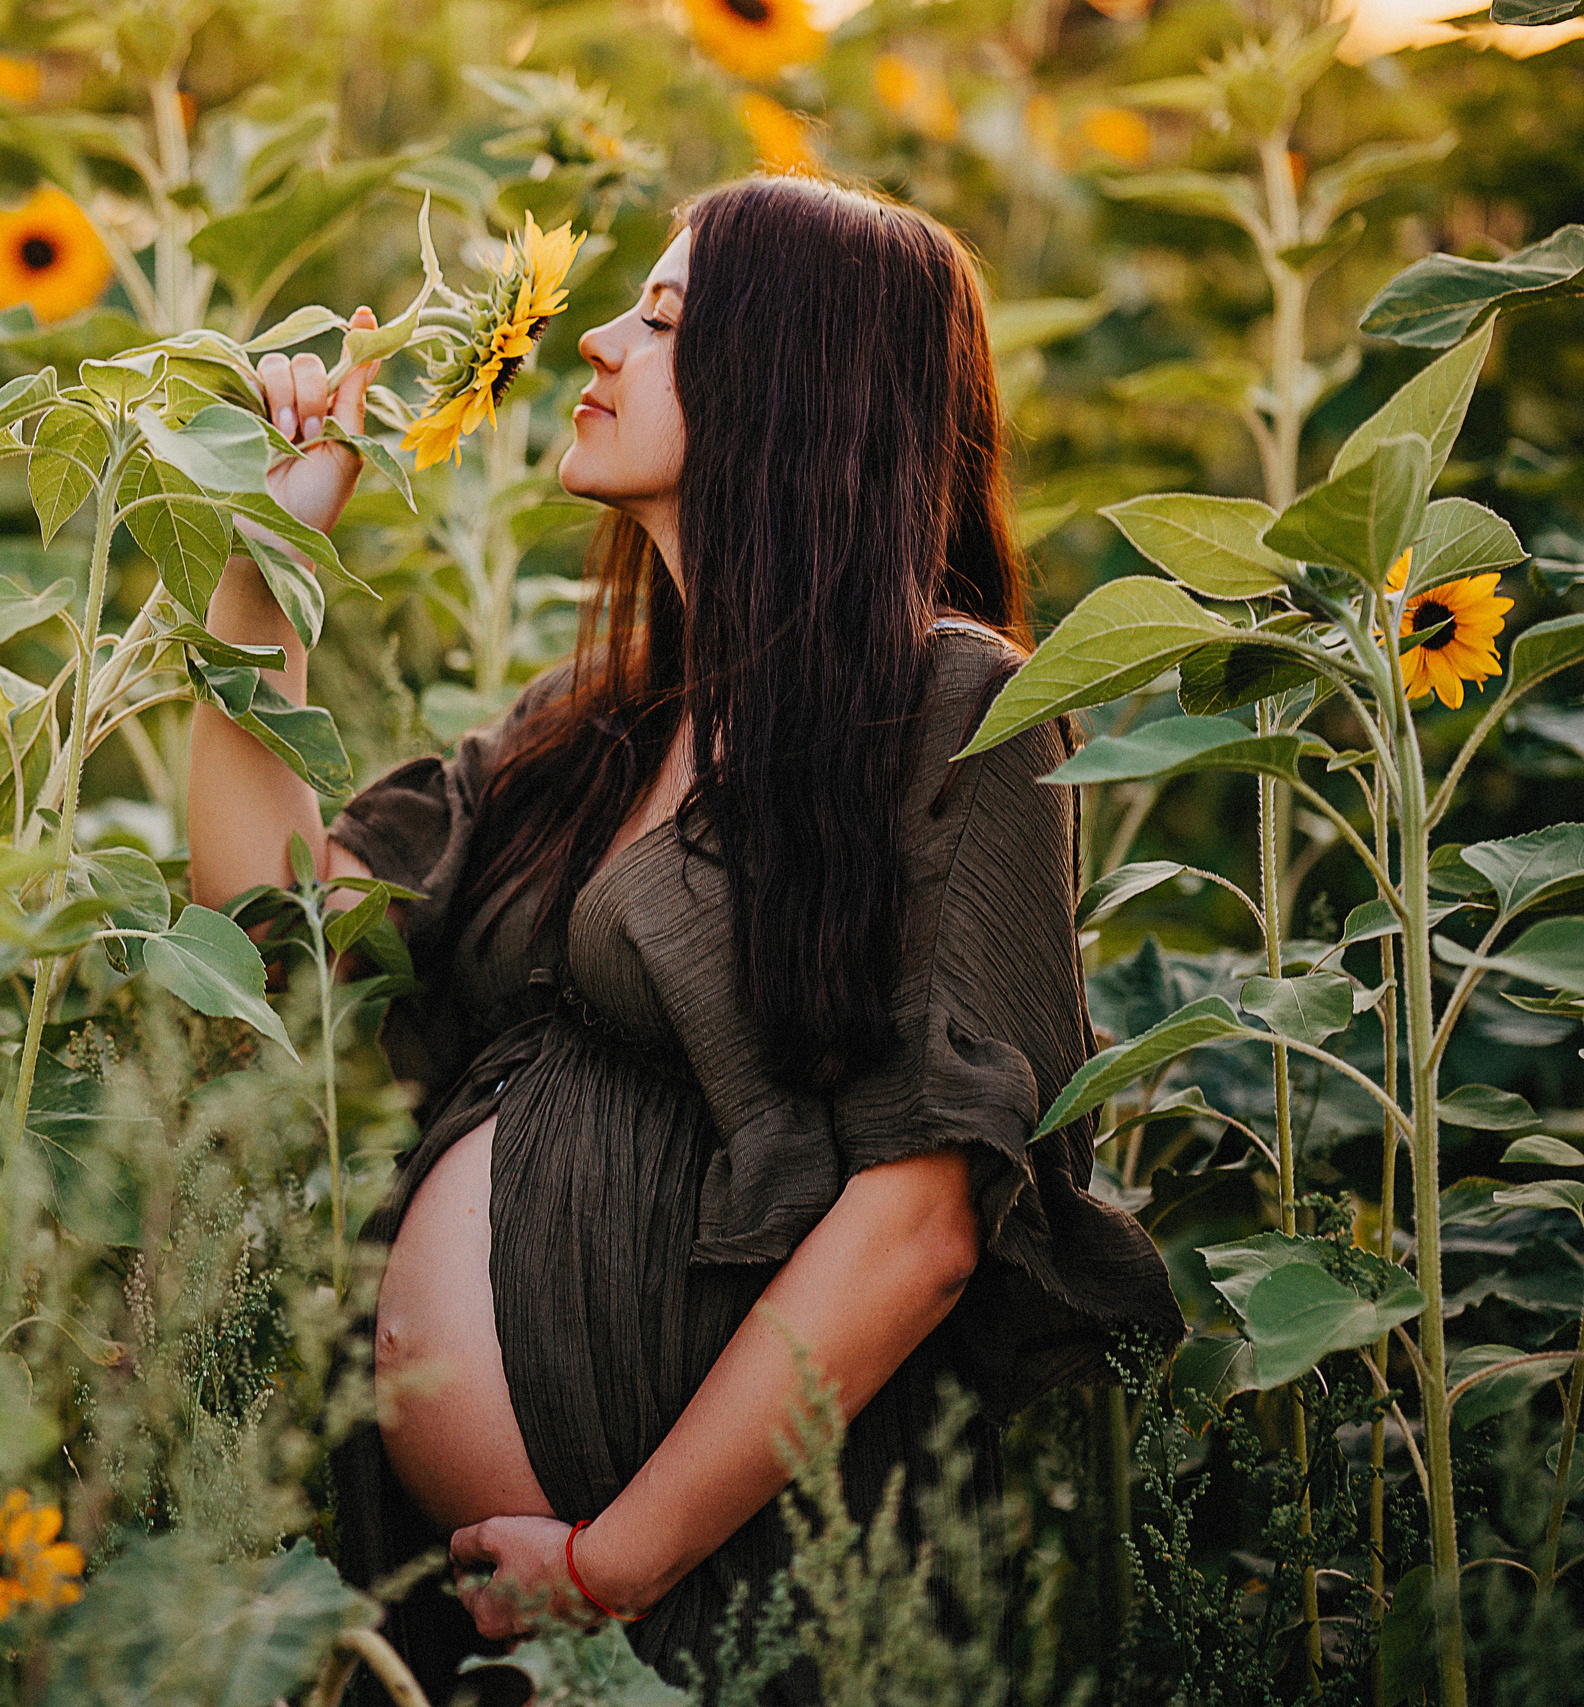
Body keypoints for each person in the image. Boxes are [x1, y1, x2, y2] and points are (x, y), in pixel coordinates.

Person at [186, 174, 1184, 1700]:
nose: (595, 340)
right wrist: (263, 567)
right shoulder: (595, 728)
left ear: (792, 383)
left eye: (660, 319)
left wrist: (618, 1563)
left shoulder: (951, 707)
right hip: (475, 1611)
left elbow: (922, 1217)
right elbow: (273, 925)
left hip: (724, 1609)